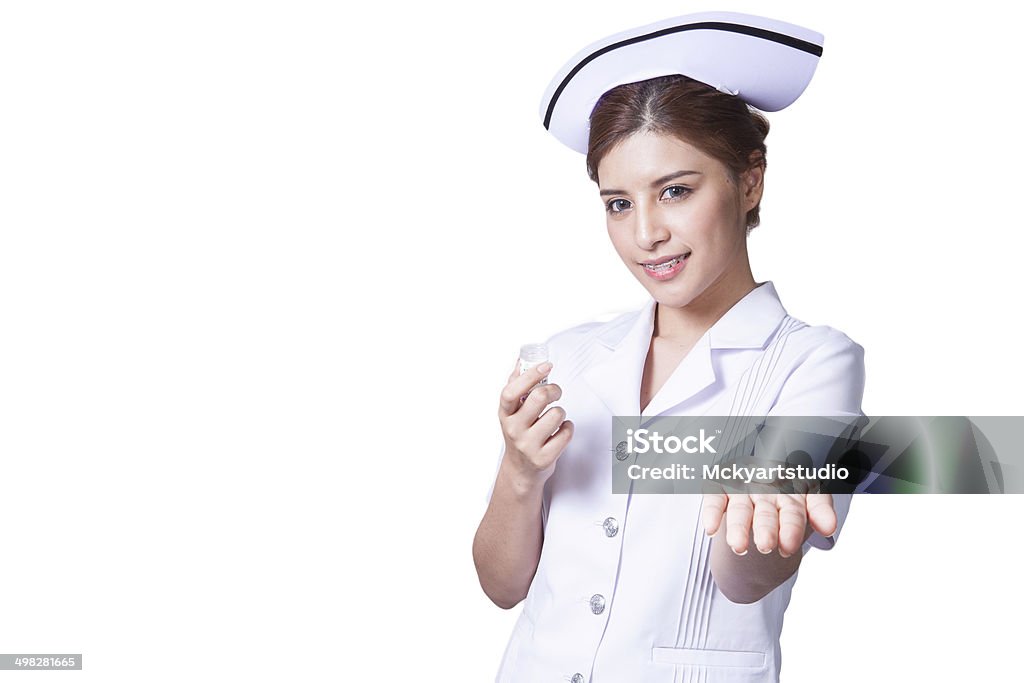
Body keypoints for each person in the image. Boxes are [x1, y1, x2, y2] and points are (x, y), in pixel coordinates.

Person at [473, 12, 866, 683]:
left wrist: (766, 501)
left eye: (676, 191)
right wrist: (518, 471)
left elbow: (745, 581)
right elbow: (502, 586)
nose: (646, 233)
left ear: (749, 182)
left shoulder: (813, 363)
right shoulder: (561, 357)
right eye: (618, 204)